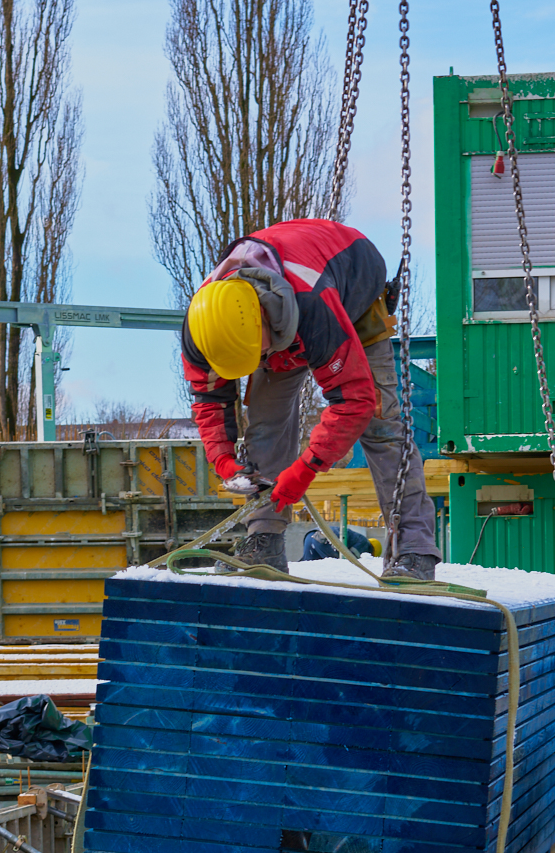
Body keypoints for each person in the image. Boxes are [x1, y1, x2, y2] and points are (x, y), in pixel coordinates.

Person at [179, 217, 441, 581]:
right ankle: (264, 543)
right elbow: (208, 401)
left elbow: (354, 402)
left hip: (352, 289)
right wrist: (223, 461)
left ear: (265, 322)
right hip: (287, 306)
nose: (257, 366)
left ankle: (413, 550)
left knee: (382, 425)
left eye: (257, 355)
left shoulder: (315, 305)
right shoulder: (205, 324)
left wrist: (303, 472)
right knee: (266, 425)